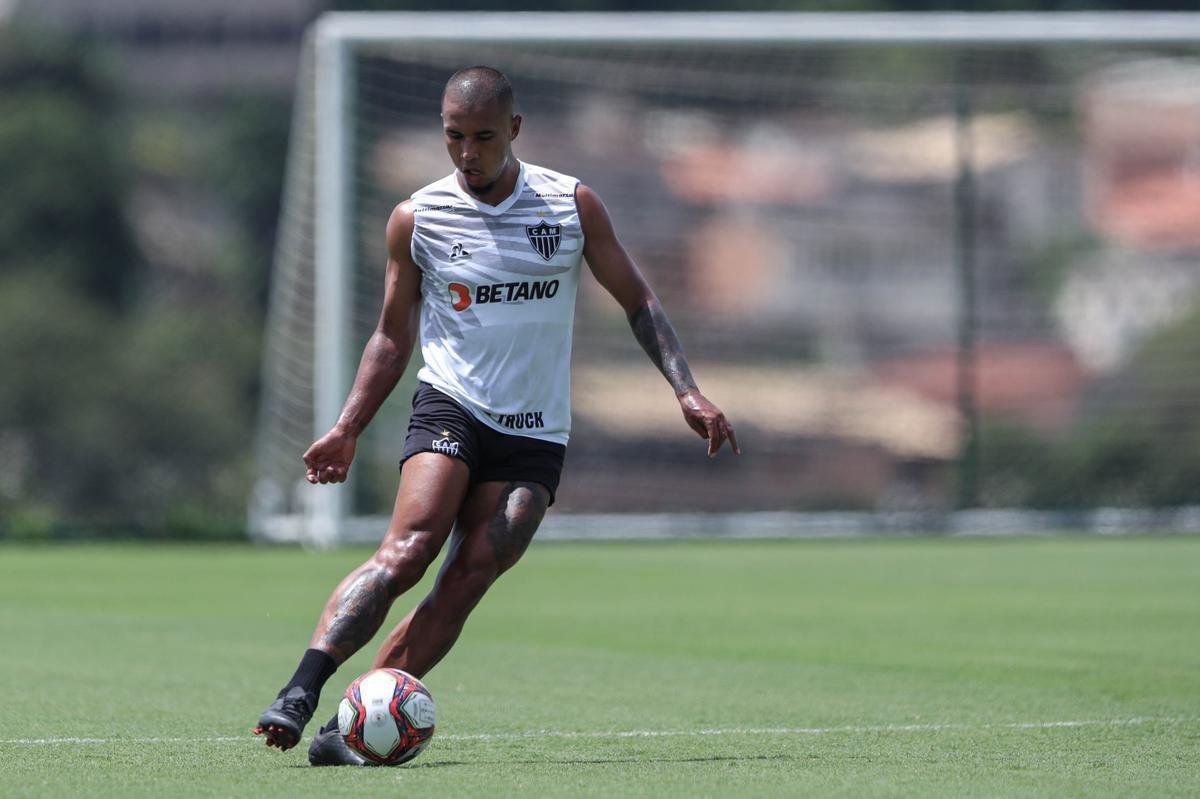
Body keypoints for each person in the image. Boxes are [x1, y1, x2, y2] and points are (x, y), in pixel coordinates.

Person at [254, 66, 739, 766]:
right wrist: (348, 426)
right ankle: (301, 689)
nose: (468, 153)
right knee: (411, 547)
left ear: (513, 129)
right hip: (453, 403)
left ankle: (351, 719)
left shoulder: (570, 206)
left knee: (476, 567)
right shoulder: (417, 217)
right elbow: (393, 335)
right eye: (455, 137)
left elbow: (638, 299)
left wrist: (685, 390)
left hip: (537, 427)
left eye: (483, 137)